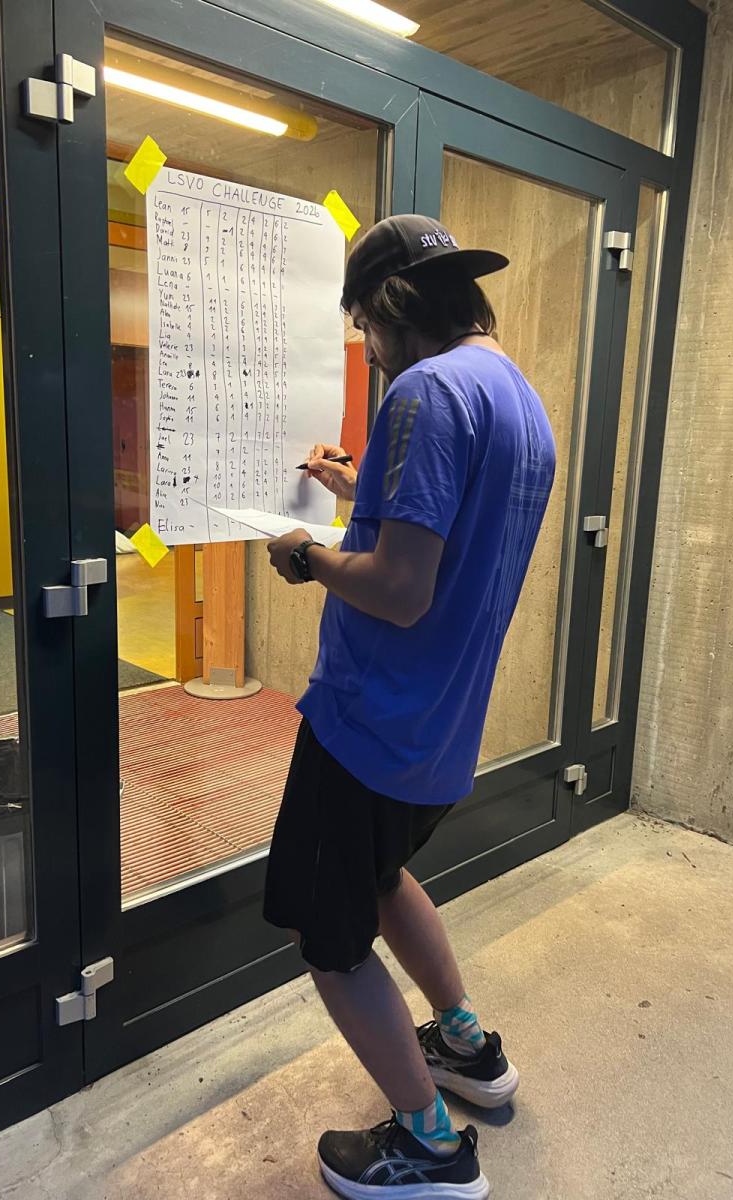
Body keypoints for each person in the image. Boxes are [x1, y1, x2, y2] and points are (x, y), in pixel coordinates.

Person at [263, 214, 556, 1199]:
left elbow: (398, 588)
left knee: (329, 936)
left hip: (369, 722)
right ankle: (465, 1046)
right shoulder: (516, 398)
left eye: (365, 329)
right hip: (440, 729)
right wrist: (360, 489)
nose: (371, 351)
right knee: (383, 878)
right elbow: (449, 532)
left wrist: (309, 556)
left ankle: (429, 1147)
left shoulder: (425, 394)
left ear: (389, 310)